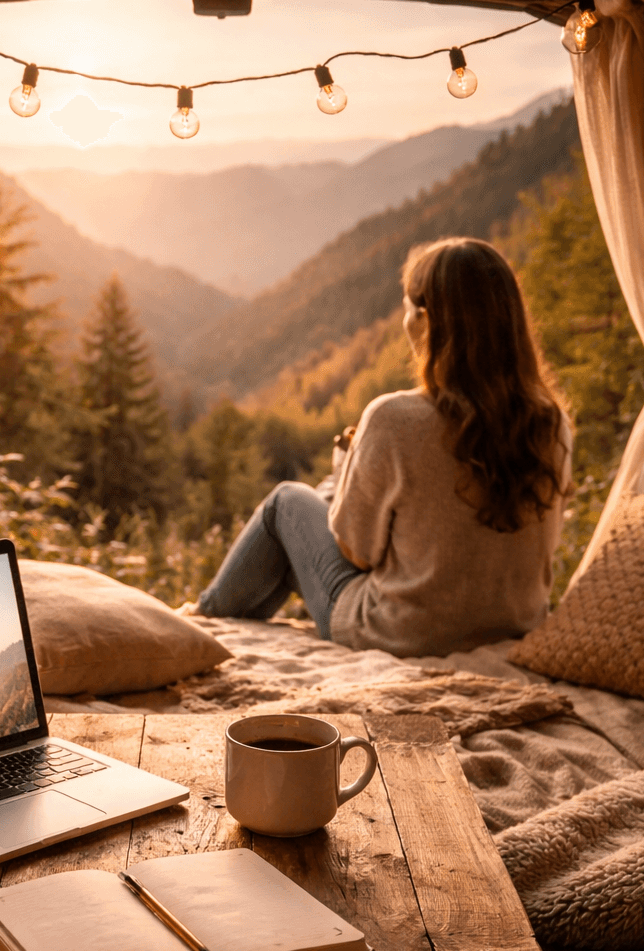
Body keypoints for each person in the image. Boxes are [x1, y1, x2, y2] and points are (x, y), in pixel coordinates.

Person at [197, 237, 572, 658]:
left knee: (286, 503)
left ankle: (202, 620)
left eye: (408, 308)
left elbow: (356, 554)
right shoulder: (552, 423)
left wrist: (348, 471)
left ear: (426, 320)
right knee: (319, 497)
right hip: (513, 628)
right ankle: (211, 613)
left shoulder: (396, 419)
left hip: (402, 634)